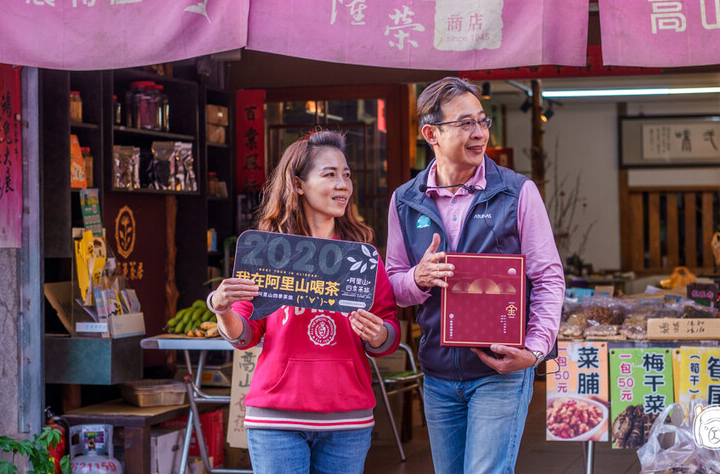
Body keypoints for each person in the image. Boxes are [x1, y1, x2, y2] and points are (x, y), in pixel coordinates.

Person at [386, 77, 565, 474]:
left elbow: (549, 277)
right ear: (430, 133)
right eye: (465, 123)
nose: (480, 133)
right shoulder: (405, 200)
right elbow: (393, 283)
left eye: (482, 121)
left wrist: (534, 351)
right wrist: (417, 278)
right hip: (436, 374)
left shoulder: (517, 192)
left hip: (499, 370)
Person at [209, 130, 401, 474]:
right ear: (298, 184)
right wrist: (221, 308)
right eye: (329, 175)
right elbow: (245, 333)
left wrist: (378, 334)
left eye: (346, 175)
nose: (343, 184)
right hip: (275, 418)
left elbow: (388, 331)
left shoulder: (362, 259)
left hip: (347, 419)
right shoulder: (267, 254)